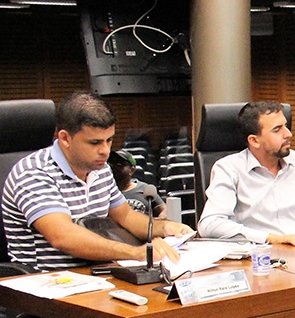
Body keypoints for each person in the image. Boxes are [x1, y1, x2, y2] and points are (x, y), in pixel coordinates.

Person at [1, 91, 190, 270]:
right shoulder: (34, 172)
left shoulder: (101, 169)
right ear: (65, 138)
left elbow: (126, 217)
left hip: (97, 274)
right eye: (95, 142)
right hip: (47, 281)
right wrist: (136, 253)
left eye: (109, 140)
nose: (105, 151)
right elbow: (63, 236)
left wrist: (164, 227)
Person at [198, 101, 295, 246]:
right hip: (259, 255)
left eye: (285, 126)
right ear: (254, 141)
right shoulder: (229, 168)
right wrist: (270, 238)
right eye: (277, 130)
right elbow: (210, 224)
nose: (288, 134)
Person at [108, 149, 165, 218]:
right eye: (111, 164)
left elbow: (164, 210)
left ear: (132, 170)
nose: (114, 167)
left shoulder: (145, 189)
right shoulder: (105, 191)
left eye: (119, 164)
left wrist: (156, 222)